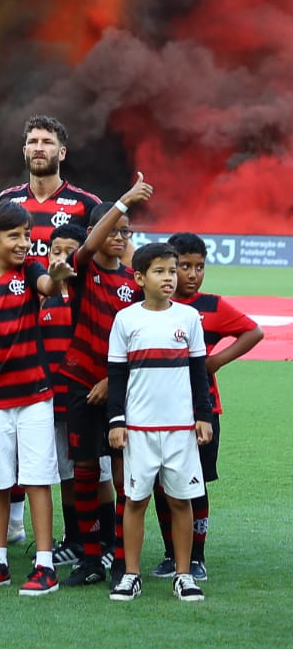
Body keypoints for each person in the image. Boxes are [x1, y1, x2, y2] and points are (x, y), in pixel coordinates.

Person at [0, 201, 72, 595]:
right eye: (15, 236)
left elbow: (48, 286)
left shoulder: (31, 271)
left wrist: (55, 277)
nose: (24, 244)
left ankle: (44, 566)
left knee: (38, 479)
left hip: (36, 396)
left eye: (27, 236)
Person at [148, 232, 265, 581]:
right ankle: (171, 554)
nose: (193, 274)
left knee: (194, 484)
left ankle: (196, 556)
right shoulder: (153, 304)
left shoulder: (212, 306)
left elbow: (253, 332)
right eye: (184, 266)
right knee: (160, 485)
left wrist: (216, 362)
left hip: (201, 412)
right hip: (156, 411)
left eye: (200, 267)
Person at [60, 175, 154, 589]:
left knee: (121, 474)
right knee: (83, 469)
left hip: (121, 386)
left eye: (125, 233)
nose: (118, 237)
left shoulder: (134, 283)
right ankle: (90, 556)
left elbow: (138, 341)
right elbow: (89, 243)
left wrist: (110, 381)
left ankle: (119, 554)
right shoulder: (81, 271)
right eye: (112, 231)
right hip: (79, 383)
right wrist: (122, 203)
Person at [106, 242, 212, 603]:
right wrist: (116, 422)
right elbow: (117, 376)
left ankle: (184, 574)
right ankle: (131, 575)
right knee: (136, 501)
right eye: (160, 271)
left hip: (181, 430)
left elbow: (199, 373)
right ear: (139, 277)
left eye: (173, 270)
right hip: (139, 430)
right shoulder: (126, 319)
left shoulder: (187, 318)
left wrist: (203, 416)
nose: (169, 278)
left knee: (182, 502)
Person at [38, 223, 86, 567]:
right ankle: (74, 539)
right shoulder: (41, 294)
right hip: (49, 401)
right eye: (55, 251)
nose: (60, 258)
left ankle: (99, 540)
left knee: (94, 474)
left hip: (86, 399)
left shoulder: (89, 294)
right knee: (65, 474)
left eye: (68, 252)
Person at [0, 116, 102, 263]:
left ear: (62, 153)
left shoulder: (87, 203)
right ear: (25, 151)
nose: (38, 148)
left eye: (47, 142)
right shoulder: (6, 201)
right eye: (32, 142)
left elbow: (114, 257)